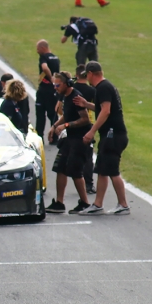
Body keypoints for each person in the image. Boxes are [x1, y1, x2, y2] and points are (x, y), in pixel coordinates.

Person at [75, 62, 129, 214]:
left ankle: (123, 204)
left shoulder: (103, 87)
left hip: (113, 135)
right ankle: (98, 204)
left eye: (87, 76)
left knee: (112, 170)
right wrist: (87, 104)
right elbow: (103, 109)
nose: (87, 79)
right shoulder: (105, 87)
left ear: (91, 73)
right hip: (111, 135)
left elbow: (106, 111)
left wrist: (92, 131)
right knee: (103, 170)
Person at [44, 72, 92, 214]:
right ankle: (59, 202)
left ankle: (84, 202)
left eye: (57, 85)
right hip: (69, 139)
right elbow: (67, 115)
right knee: (60, 168)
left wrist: (65, 126)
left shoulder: (76, 97)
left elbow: (85, 119)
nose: (55, 87)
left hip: (79, 139)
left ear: (66, 84)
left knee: (75, 171)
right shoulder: (64, 96)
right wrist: (54, 126)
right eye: (54, 84)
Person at [74, 65, 97, 193]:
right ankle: (88, 184)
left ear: (76, 74)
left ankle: (76, 180)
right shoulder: (92, 91)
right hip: (88, 125)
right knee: (88, 156)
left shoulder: (71, 89)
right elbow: (98, 107)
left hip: (71, 123)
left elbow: (58, 107)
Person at [34, 39, 61, 135]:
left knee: (40, 114)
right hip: (53, 90)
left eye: (38, 49)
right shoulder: (56, 58)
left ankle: (39, 136)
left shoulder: (43, 57)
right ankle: (55, 137)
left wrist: (50, 78)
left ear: (43, 48)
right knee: (53, 114)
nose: (37, 51)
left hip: (44, 90)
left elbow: (44, 67)